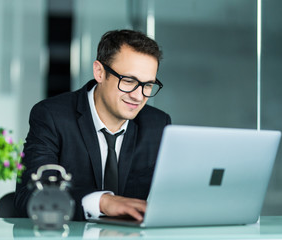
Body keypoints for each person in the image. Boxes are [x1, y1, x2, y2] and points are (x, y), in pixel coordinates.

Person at [14, 29, 171, 221]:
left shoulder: (157, 125)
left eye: (147, 85)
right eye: (129, 81)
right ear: (99, 72)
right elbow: (30, 197)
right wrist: (102, 202)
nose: (138, 96)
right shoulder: (52, 116)